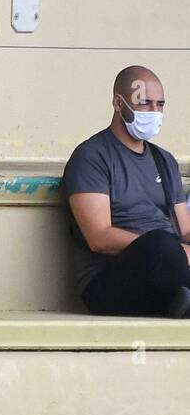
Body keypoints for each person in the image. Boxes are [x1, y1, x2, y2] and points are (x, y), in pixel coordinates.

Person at [63, 65, 190, 318]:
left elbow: (184, 230)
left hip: (169, 269)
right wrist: (173, 251)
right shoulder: (91, 156)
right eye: (144, 104)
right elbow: (99, 238)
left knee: (167, 247)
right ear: (118, 103)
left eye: (160, 104)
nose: (154, 112)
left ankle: (180, 298)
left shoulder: (164, 160)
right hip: (111, 283)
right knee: (161, 244)